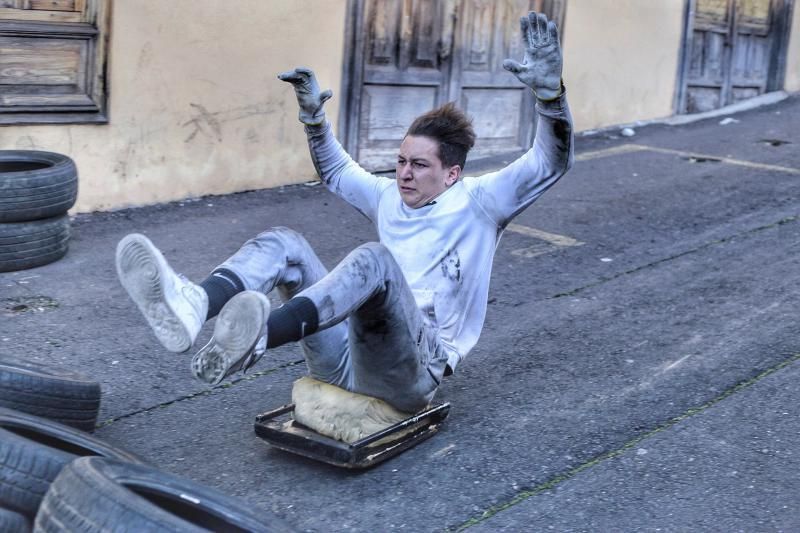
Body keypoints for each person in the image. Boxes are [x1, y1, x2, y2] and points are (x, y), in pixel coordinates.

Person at [115, 11, 573, 414]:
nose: (403, 175)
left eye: (418, 165)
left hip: (414, 370)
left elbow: (549, 163)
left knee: (374, 260)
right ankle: (194, 305)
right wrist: (314, 121)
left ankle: (255, 340)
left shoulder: (479, 202)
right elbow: (336, 170)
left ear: (451, 174)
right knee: (285, 244)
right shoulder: (388, 196)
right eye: (400, 162)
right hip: (349, 355)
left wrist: (550, 98)